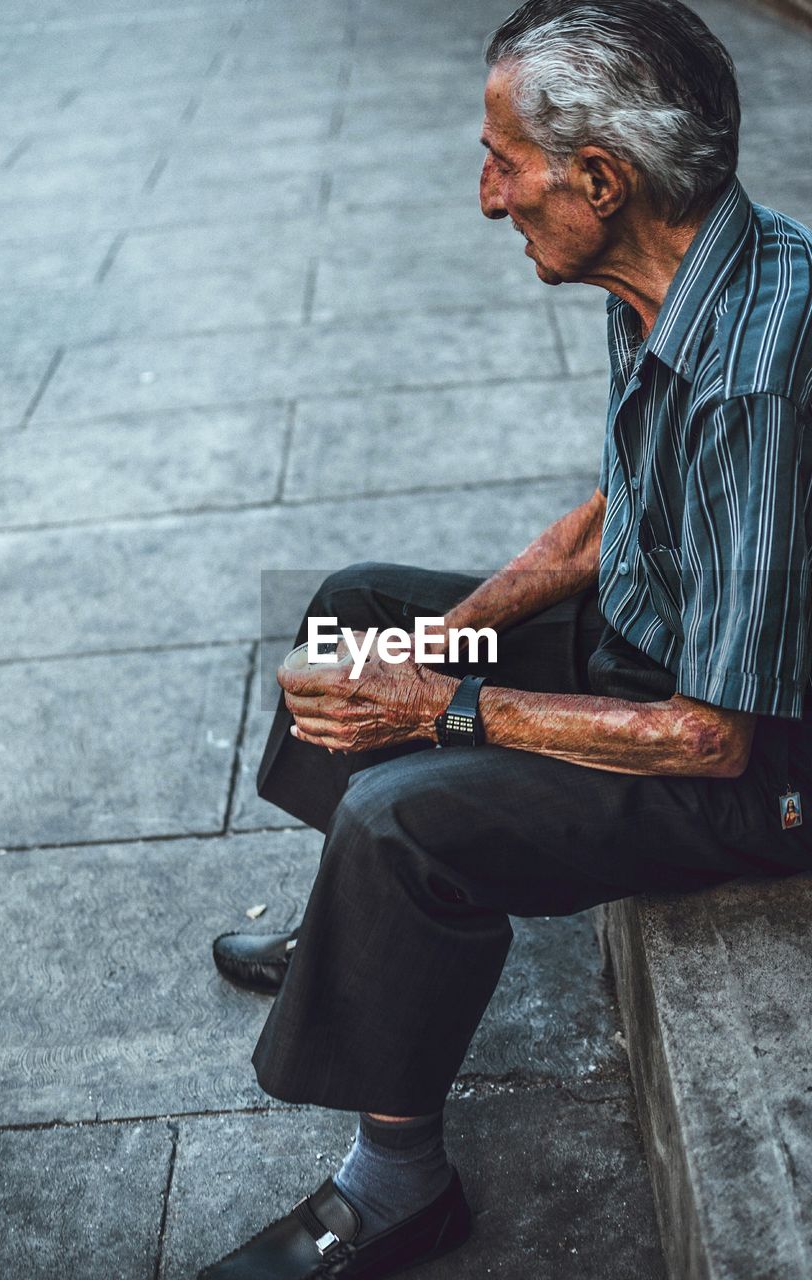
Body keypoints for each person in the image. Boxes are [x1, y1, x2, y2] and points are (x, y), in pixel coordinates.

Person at [201, 1, 812, 1275]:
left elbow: (707, 735)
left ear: (601, 178)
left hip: (747, 769)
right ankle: (363, 939)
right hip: (643, 649)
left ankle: (398, 1182)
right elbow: (608, 518)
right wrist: (437, 641)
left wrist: (441, 709)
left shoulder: (760, 369)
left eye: (503, 162)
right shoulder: (666, 265)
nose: (486, 197)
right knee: (359, 604)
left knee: (404, 811)